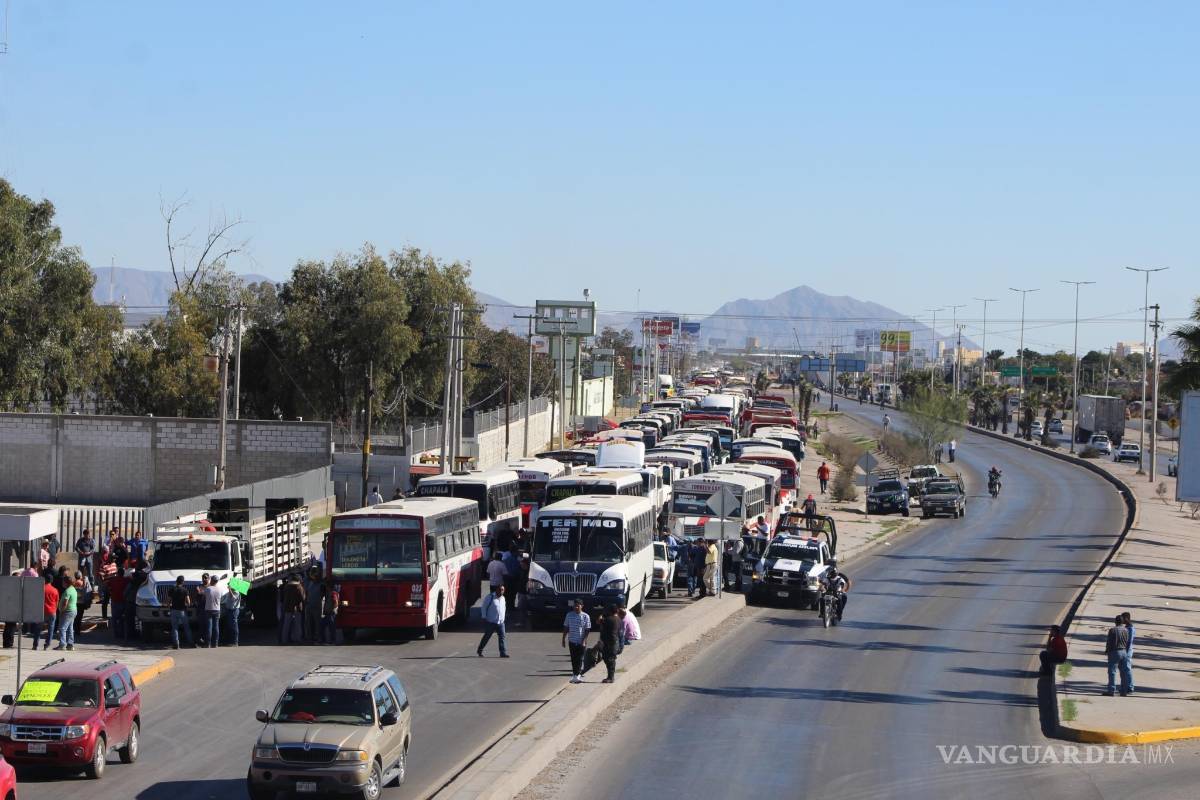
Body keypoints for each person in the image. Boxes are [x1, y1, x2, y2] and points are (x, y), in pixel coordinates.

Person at [562, 599, 592, 684]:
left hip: (581, 641)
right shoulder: (569, 615)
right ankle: (575, 675)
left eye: (578, 606)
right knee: (573, 659)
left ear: (582, 606)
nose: (576, 607)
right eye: (574, 606)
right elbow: (566, 627)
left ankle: (577, 675)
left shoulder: (586, 616)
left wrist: (584, 640)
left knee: (579, 658)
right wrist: (563, 639)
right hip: (572, 640)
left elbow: (587, 629)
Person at [1104, 614, 1133, 696]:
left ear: (1115, 622)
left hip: (1114, 652)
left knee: (1112, 672)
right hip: (1124, 652)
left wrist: (1107, 651)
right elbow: (1127, 642)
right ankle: (1123, 691)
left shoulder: (1112, 630)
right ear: (1122, 622)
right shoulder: (1126, 630)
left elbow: (1109, 642)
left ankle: (1111, 690)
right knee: (1123, 672)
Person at [477, 584, 509, 658]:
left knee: (502, 637)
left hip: (500, 622)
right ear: (496, 590)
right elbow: (484, 607)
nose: (501, 591)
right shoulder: (490, 597)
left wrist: (503, 618)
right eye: (500, 589)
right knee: (487, 637)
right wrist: (484, 617)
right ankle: (480, 650)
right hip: (491, 622)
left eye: (503, 590)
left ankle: (502, 653)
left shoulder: (503, 598)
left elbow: (503, 608)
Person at [33, 571, 59, 650]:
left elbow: (37, 600)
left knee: (38, 629)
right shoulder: (55, 590)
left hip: (42, 611)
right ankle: (47, 645)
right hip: (52, 612)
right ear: (52, 581)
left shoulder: (41, 589)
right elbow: (56, 602)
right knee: (50, 629)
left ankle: (35, 645)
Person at [167, 575, 194, 649]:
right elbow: (188, 602)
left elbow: (169, 601)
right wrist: (186, 605)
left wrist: (169, 607)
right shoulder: (185, 590)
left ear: (176, 581)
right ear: (183, 582)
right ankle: (191, 643)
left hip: (173, 610)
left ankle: (176, 644)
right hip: (182, 610)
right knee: (186, 627)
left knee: (175, 628)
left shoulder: (172, 589)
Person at [598, 605, 621, 683]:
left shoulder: (609, 619)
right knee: (610, 659)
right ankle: (610, 677)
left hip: (610, 643)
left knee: (609, 659)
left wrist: (601, 615)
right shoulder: (618, 619)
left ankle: (610, 677)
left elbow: (599, 621)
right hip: (615, 642)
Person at [281, 573, 306, 643]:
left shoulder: (287, 587)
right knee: (297, 625)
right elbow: (303, 598)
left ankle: (284, 639)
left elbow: (283, 597)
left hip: (287, 608)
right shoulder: (299, 587)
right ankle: (297, 639)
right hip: (297, 608)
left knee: (286, 625)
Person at [55, 573, 78, 650]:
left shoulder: (68, 591)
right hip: (73, 610)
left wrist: (61, 610)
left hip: (67, 611)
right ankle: (70, 644)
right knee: (70, 628)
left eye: (63, 582)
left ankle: (62, 644)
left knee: (62, 628)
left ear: (66, 583)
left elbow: (65, 602)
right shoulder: (73, 589)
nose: (62, 583)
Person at [303, 567, 324, 643]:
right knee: (309, 622)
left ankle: (318, 637)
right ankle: (310, 637)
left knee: (316, 623)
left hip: (315, 605)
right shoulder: (309, 583)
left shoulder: (320, 584)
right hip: (310, 605)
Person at [107, 566, 130, 639]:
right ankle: (122, 633)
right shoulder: (126, 580)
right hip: (123, 601)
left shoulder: (113, 580)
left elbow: (107, 586)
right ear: (123, 574)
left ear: (117, 573)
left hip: (115, 600)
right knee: (122, 618)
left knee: (114, 618)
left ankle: (116, 633)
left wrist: (111, 592)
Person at [202, 575, 223, 648]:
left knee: (209, 627)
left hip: (208, 609)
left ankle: (208, 644)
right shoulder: (220, 589)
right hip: (217, 609)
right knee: (216, 627)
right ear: (217, 581)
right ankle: (215, 644)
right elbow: (221, 598)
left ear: (211, 580)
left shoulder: (208, 589)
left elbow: (204, 597)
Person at [222, 581, 242, 647]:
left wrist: (230, 589)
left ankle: (235, 642)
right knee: (230, 626)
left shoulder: (236, 592)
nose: (229, 586)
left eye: (230, 585)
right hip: (229, 610)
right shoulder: (230, 592)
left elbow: (233, 598)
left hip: (234, 610)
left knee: (234, 626)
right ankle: (230, 641)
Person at [1122, 612, 1136, 692]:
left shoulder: (1130, 628)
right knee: (1125, 669)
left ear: (1126, 618)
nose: (1122, 620)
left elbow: (1129, 641)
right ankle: (1126, 686)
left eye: (1123, 618)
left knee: (1127, 668)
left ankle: (1130, 687)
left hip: (1127, 651)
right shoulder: (1127, 627)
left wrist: (1125, 652)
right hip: (1125, 650)